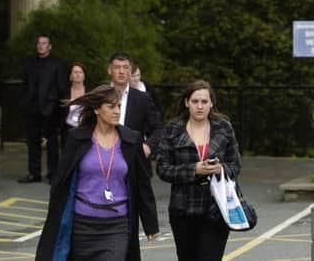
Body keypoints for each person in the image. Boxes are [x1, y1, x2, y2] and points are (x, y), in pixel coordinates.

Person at [35, 85, 159, 261]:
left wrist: (150, 223)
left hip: (117, 225)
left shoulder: (131, 140)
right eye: (111, 107)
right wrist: (55, 217)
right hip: (82, 224)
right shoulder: (77, 138)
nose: (117, 111)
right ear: (96, 109)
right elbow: (61, 180)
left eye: (119, 107)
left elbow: (142, 182)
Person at [155, 80, 242, 261]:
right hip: (183, 210)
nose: (200, 106)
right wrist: (194, 169)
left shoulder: (223, 127)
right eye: (195, 102)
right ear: (187, 103)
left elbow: (235, 165)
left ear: (211, 103)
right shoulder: (173, 129)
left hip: (216, 208)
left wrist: (220, 168)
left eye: (204, 101)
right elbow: (162, 169)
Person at [18, 34, 67, 184]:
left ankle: (53, 174)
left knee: (52, 143)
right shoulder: (29, 62)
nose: (41, 46)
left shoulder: (57, 63)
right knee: (32, 141)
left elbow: (61, 87)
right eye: (39, 43)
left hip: (50, 108)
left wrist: (56, 106)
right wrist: (25, 101)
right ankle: (34, 173)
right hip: (32, 108)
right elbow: (25, 83)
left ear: (49, 46)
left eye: (44, 43)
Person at [107, 53, 162, 167]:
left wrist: (148, 147)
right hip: (104, 158)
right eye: (117, 67)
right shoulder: (99, 96)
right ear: (109, 70)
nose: (121, 71)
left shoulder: (143, 98)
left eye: (125, 67)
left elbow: (158, 128)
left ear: (130, 71)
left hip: (135, 162)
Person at [59, 61, 87, 148]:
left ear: (84, 76)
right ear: (70, 76)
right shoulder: (64, 92)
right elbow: (59, 113)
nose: (78, 75)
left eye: (80, 72)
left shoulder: (91, 92)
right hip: (68, 131)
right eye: (75, 72)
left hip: (85, 130)